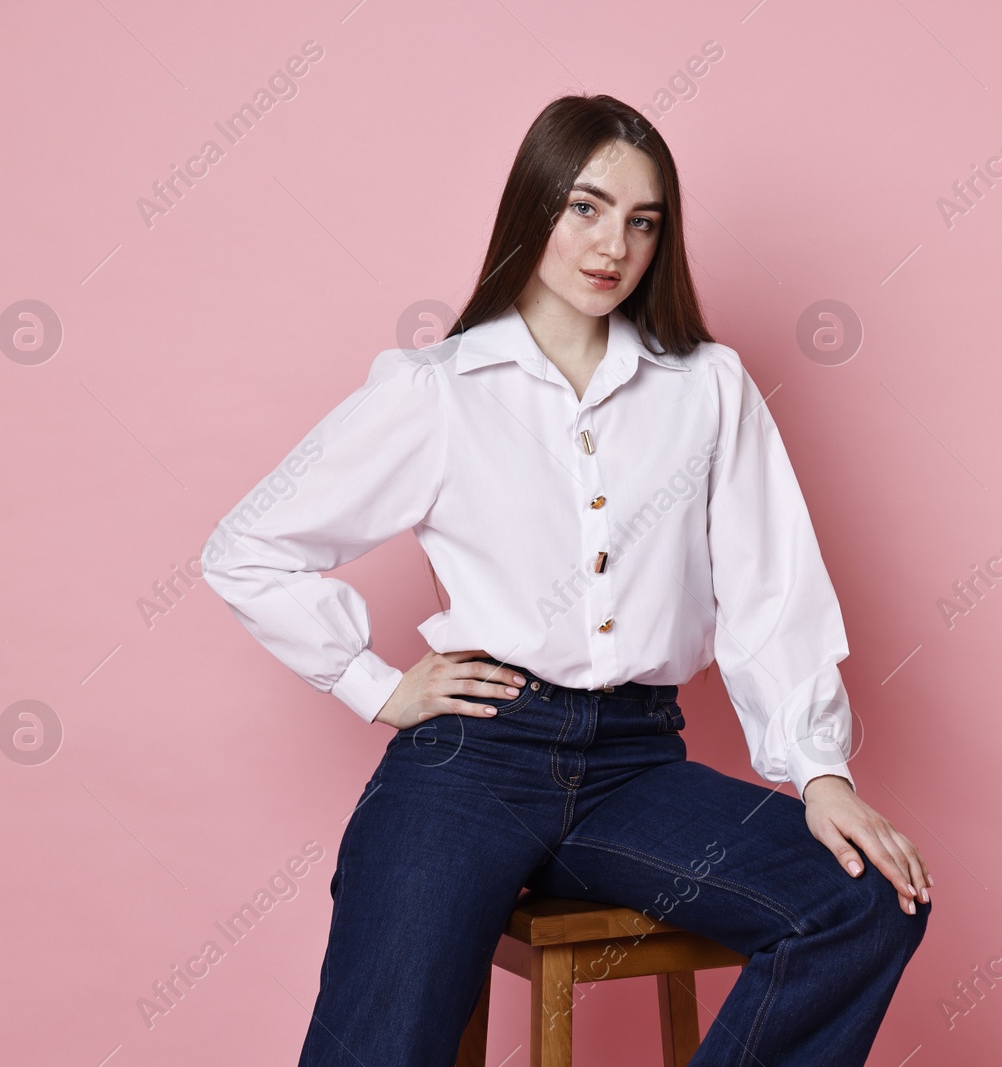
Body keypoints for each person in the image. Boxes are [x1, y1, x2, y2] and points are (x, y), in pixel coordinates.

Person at [201, 92, 931, 1067]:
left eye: (642, 220)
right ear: (534, 205)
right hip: (474, 758)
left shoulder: (706, 388)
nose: (611, 243)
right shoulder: (439, 389)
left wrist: (820, 772)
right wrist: (376, 685)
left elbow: (770, 591)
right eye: (584, 207)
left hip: (637, 764)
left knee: (863, 900)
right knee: (379, 1040)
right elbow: (249, 544)